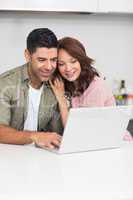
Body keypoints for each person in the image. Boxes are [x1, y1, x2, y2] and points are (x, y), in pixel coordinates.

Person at [0, 28, 64, 149]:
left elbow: (59, 133)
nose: (49, 67)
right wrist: (35, 136)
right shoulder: (6, 83)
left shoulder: (55, 85)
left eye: (54, 60)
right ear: (27, 55)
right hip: (9, 158)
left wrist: (62, 100)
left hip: (41, 157)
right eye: (41, 60)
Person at [50, 37, 116, 127]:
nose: (68, 69)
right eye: (61, 64)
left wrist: (61, 99)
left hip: (115, 139)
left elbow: (77, 131)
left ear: (81, 61)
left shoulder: (96, 87)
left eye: (73, 61)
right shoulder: (69, 84)